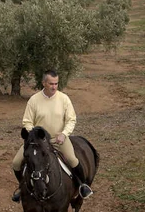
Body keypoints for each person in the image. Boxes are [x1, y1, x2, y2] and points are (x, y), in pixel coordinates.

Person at [11, 70, 93, 202]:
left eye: (56, 84)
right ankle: (22, 187)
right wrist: (35, 136)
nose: (54, 87)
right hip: (37, 142)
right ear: (44, 83)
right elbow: (27, 121)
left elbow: (71, 120)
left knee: (73, 160)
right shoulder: (34, 100)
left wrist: (64, 134)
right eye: (51, 84)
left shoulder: (64, 99)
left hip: (58, 140)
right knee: (16, 162)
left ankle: (82, 186)